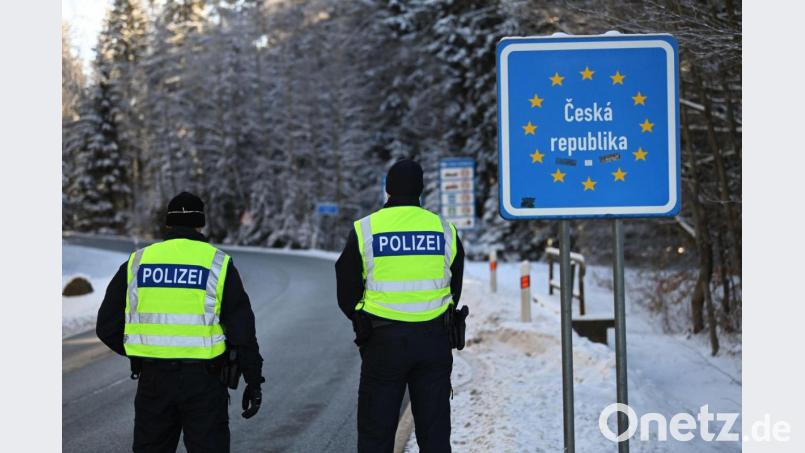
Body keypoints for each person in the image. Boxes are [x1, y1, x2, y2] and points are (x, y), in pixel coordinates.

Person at [96, 192, 265, 453]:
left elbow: (106, 326)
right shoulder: (217, 263)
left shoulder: (138, 261)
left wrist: (141, 352)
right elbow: (243, 330)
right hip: (205, 382)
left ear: (168, 224)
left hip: (153, 380)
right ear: (201, 223)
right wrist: (253, 380)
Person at [336, 159, 467, 453]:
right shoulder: (444, 230)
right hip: (434, 341)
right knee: (434, 435)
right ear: (421, 189)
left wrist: (360, 317)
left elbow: (345, 285)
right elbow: (453, 286)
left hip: (383, 342)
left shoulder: (366, 229)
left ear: (388, 188)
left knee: (376, 433)